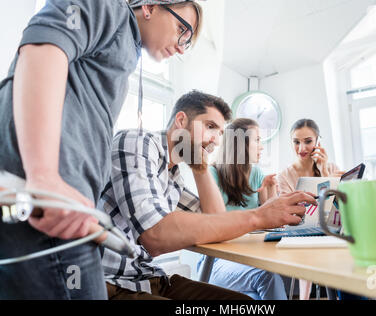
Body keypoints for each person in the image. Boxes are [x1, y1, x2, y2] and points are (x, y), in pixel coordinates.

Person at [0, 0, 202, 299]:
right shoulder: (109, 9)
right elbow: (42, 49)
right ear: (149, 7)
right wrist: (43, 177)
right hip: (52, 209)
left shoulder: (122, 50)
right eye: (182, 30)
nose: (182, 46)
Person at [101, 91, 317, 300]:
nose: (215, 140)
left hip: (148, 278)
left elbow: (216, 223)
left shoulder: (173, 176)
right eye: (210, 127)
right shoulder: (138, 142)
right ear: (181, 120)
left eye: (220, 133)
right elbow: (155, 236)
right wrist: (259, 216)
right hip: (112, 283)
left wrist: (200, 168)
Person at [196, 118, 288, 300]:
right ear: (240, 144)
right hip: (217, 261)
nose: (262, 147)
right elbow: (213, 223)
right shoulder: (212, 174)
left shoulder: (257, 174)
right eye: (257, 140)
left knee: (261, 292)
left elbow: (271, 223)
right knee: (267, 276)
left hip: (250, 258)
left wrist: (270, 190)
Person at [277, 119, 342, 300]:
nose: (301, 148)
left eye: (307, 141)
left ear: (318, 141)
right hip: (300, 233)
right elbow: (289, 214)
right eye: (296, 142)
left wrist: (324, 173)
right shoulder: (284, 176)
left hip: (331, 231)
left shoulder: (331, 168)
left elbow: (337, 208)